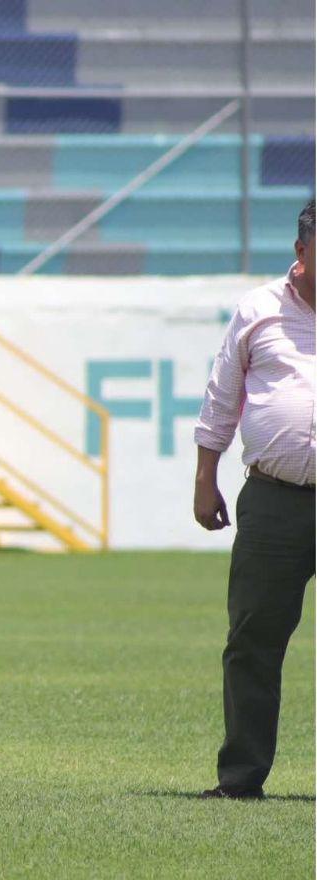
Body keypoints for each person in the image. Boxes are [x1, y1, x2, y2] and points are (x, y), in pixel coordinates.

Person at [193, 199, 315, 800]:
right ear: (301, 251)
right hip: (276, 500)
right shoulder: (258, 311)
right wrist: (204, 477)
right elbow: (223, 396)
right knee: (253, 638)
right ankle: (241, 778)